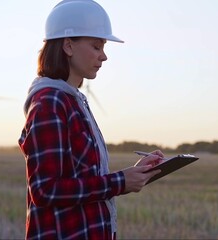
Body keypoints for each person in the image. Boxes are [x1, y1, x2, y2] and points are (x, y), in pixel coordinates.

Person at [18, 1, 163, 239]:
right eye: (96, 46)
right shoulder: (50, 103)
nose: (104, 56)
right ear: (68, 46)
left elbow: (84, 181)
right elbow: (46, 190)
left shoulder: (73, 101)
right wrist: (119, 182)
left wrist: (130, 176)